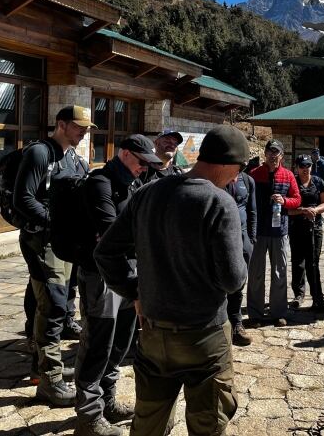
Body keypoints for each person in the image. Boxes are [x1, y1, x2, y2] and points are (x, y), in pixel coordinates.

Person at [94, 125, 250, 436]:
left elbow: (106, 252)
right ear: (224, 163)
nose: (237, 178)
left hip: (154, 333)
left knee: (149, 423)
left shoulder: (147, 194)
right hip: (204, 336)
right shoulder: (219, 202)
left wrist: (134, 290)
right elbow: (233, 280)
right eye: (238, 170)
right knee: (208, 424)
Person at [74, 135, 161, 436]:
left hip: (129, 272)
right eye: (141, 162)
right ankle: (88, 416)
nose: (144, 169)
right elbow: (112, 233)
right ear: (124, 154)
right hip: (101, 275)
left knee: (122, 341)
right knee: (98, 343)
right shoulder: (100, 183)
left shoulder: (133, 183)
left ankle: (108, 401)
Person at [14, 105, 93, 406]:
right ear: (61, 124)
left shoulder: (74, 158)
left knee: (46, 297)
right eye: (78, 126)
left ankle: (37, 359)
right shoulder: (40, 153)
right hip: (42, 240)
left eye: (86, 127)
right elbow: (24, 198)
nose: (84, 132)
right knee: (55, 304)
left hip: (64, 241)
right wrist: (56, 222)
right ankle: (50, 379)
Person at [246, 139, 301, 327]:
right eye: (269, 151)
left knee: (280, 272)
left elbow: (297, 200)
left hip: (280, 231)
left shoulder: (288, 176)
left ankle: (278, 312)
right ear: (265, 154)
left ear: (281, 155)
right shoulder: (253, 174)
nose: (272, 155)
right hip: (258, 232)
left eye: (276, 152)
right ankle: (255, 314)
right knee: (255, 274)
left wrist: (284, 201)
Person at [288, 154, 324, 314]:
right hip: (296, 226)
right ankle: (298, 295)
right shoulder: (292, 182)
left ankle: (318, 298)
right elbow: (287, 208)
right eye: (302, 166)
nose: (305, 169)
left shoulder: (318, 182)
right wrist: (302, 210)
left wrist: (314, 210)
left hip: (315, 227)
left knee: (313, 262)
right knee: (297, 261)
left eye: (308, 166)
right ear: (296, 167)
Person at [225, 170, 257, 346]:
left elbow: (252, 209)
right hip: (222, 236)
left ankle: (237, 323)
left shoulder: (247, 180)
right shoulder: (217, 177)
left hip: (243, 238)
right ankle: (222, 322)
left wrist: (252, 239)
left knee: (239, 281)